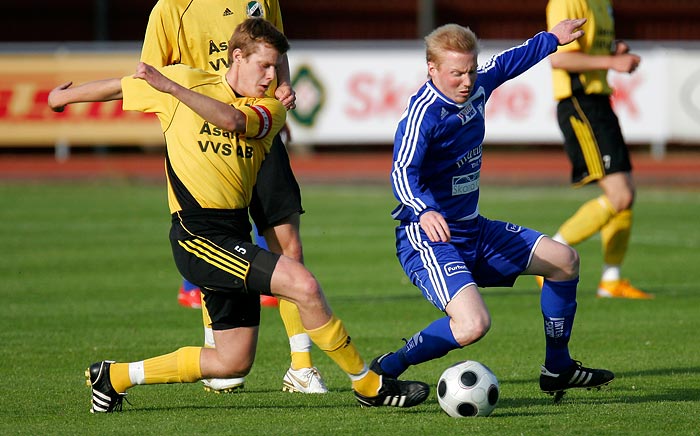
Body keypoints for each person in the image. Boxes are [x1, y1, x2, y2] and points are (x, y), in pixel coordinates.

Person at [48, 18, 429, 413]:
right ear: (237, 57)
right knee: (303, 284)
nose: (272, 76)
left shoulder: (269, 109)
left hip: (233, 234)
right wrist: (63, 100)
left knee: (231, 362)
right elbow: (123, 85)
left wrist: (171, 88)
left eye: (276, 66)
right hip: (197, 237)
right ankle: (368, 385)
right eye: (264, 65)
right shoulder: (186, 81)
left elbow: (232, 121)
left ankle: (114, 377)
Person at [370, 18, 615, 402]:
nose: (466, 81)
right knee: (472, 325)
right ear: (432, 69)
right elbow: (402, 170)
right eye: (456, 73)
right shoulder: (423, 114)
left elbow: (506, 64)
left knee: (564, 260)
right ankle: (386, 369)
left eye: (469, 70)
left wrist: (553, 39)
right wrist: (423, 209)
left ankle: (558, 368)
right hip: (429, 238)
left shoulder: (477, 86)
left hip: (473, 230)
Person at [140, 0, 329, 394]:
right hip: (204, 141)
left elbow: (278, 54)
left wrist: (283, 89)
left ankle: (302, 364)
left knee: (287, 244)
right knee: (221, 243)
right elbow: (149, 77)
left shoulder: (264, 1)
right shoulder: (171, 8)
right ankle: (219, 355)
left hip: (257, 127)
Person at [545, 0, 652, 299]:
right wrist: (611, 63)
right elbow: (560, 59)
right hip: (580, 103)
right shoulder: (567, 2)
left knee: (625, 194)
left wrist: (612, 51)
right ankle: (549, 259)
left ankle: (611, 279)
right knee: (621, 195)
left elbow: (589, 49)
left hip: (600, 103)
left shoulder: (602, 3)